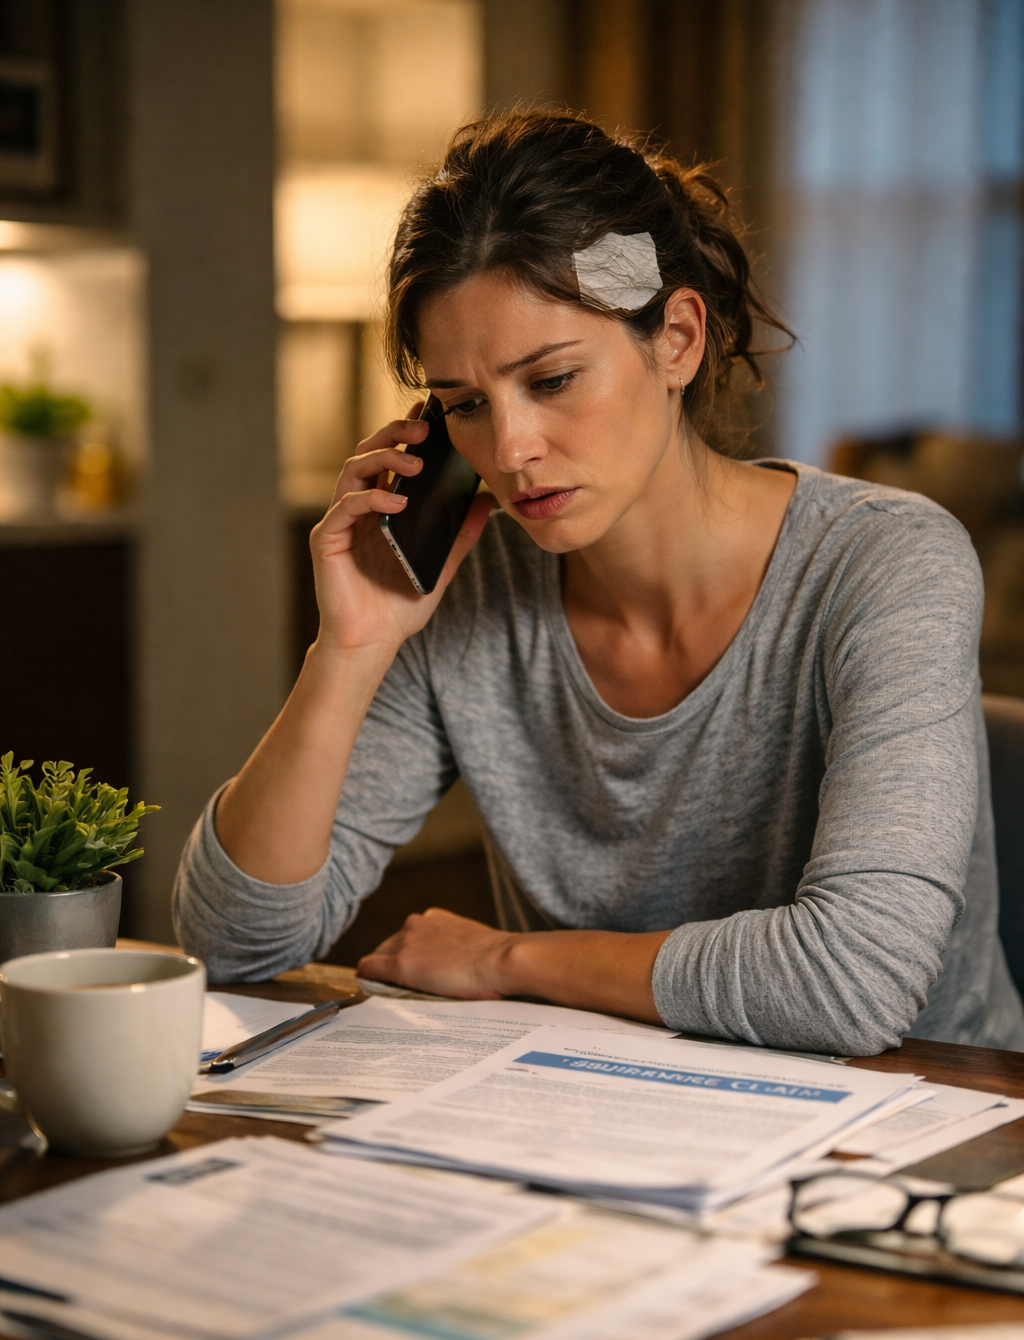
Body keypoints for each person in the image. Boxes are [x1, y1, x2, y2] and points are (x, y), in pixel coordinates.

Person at [174, 110, 1024, 1055]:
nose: (511, 449)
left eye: (554, 379)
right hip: (603, 1115)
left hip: (927, 1125)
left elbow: (852, 980)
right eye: (464, 406)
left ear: (677, 340)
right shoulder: (469, 587)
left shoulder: (887, 563)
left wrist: (510, 961)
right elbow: (233, 943)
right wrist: (351, 647)